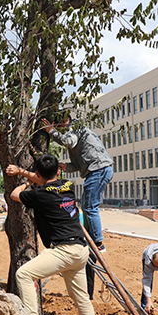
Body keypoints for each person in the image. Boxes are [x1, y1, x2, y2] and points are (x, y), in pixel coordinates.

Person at [6, 154, 100, 315]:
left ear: (38, 174)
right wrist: (25, 173)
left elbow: (14, 194)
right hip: (81, 251)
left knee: (23, 274)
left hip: (63, 251)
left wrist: (25, 182)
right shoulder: (68, 186)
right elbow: (46, 180)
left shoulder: (38, 195)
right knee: (82, 299)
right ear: (58, 172)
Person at [42, 116, 114, 300]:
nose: (57, 126)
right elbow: (79, 164)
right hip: (95, 169)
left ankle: (97, 242)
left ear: (65, 121)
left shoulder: (75, 129)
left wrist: (51, 131)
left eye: (58, 123)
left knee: (90, 207)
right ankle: (93, 238)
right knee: (87, 206)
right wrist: (65, 166)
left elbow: (68, 140)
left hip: (98, 170)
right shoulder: (76, 137)